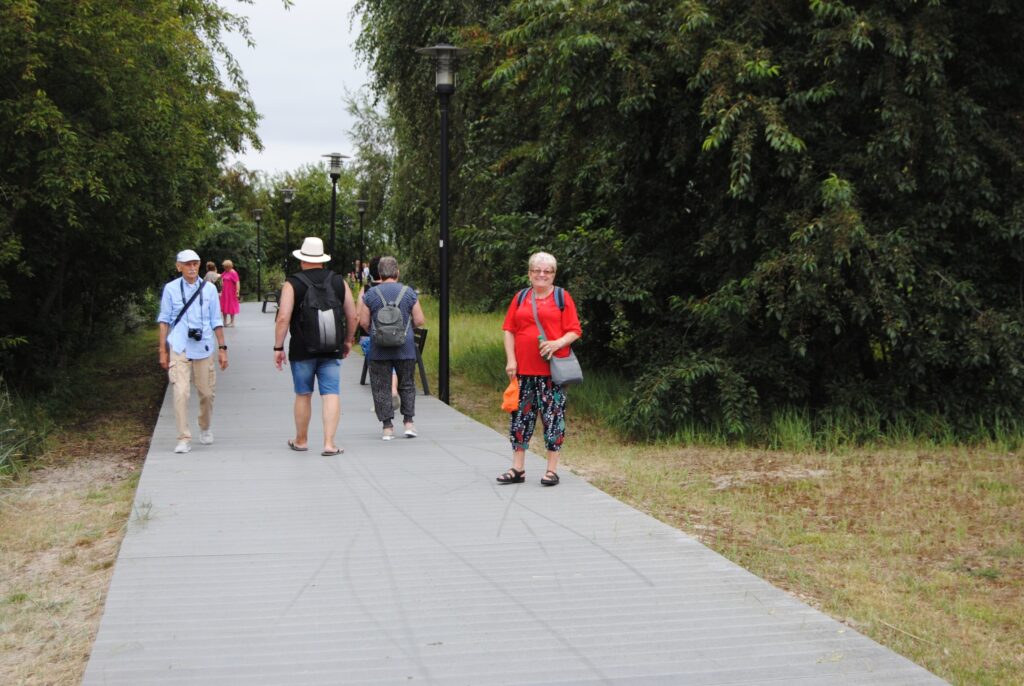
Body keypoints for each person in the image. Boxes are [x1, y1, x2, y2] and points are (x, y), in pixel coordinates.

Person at [496, 252, 582, 486]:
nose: (542, 274)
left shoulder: (562, 297)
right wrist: (511, 360)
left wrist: (556, 343)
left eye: (547, 271)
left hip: (553, 372)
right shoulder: (521, 297)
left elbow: (575, 330)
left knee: (553, 418)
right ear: (530, 273)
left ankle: (552, 470)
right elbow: (509, 330)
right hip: (523, 371)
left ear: (553, 274)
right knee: (520, 418)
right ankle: (517, 469)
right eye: (537, 270)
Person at [273, 237, 357, 456]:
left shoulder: (293, 283)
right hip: (331, 348)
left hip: (302, 349)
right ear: (322, 260)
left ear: (302, 260)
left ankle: (301, 440)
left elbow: (283, 317)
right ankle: (329, 443)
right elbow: (352, 315)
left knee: (303, 394)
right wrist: (348, 341)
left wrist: (278, 347)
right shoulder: (339, 282)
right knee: (331, 393)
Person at [157, 249, 229, 454]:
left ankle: (204, 426)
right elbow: (164, 321)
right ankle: (183, 437)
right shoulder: (170, 289)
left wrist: (223, 348)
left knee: (206, 393)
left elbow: (217, 320)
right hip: (179, 346)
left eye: (195, 263)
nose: (192, 267)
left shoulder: (209, 290)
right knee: (180, 392)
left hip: (204, 346)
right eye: (187, 264)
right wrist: (162, 350)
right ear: (178, 266)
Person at [357, 256, 425, 440]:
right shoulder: (409, 292)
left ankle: (387, 427)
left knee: (381, 386)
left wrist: (378, 331)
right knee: (408, 385)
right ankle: (409, 423)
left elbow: (363, 321)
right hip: (405, 348)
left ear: (379, 273)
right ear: (397, 272)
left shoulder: (371, 294)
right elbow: (419, 320)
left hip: (379, 349)